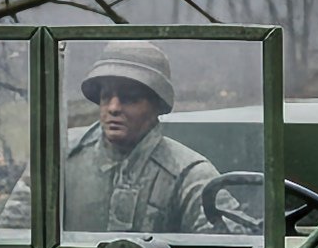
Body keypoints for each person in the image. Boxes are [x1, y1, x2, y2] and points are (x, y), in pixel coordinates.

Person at [59, 41, 222, 235]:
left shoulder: (190, 175)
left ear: (157, 105)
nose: (113, 108)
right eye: (105, 97)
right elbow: (19, 234)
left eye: (130, 98)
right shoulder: (60, 155)